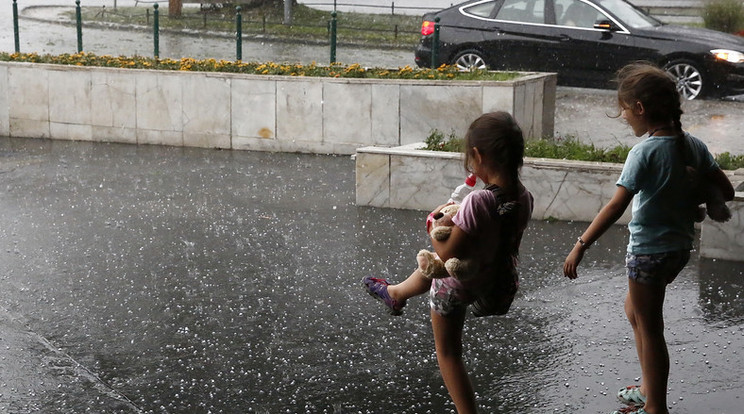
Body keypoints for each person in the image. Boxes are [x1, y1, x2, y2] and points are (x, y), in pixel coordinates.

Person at [563, 62, 735, 414]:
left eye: (624, 110)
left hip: (647, 254)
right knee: (635, 311)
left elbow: (614, 207)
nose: (624, 117)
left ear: (640, 108)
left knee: (651, 328)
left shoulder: (643, 152)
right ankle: (648, 387)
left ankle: (655, 405)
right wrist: (693, 186)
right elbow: (726, 191)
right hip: (677, 251)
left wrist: (580, 246)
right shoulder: (693, 145)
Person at [363, 111, 534, 414]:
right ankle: (395, 293)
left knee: (449, 351)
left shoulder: (478, 201)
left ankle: (395, 295)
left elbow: (445, 253)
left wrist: (433, 222)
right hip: (499, 282)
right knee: (433, 269)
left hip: (460, 286)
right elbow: (493, 237)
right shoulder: (524, 197)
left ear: (477, 155)